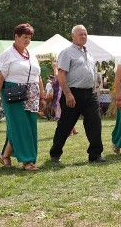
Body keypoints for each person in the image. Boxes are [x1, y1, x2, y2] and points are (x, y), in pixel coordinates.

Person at [0, 23, 46, 171]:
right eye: (24, 37)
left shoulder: (31, 54)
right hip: (13, 91)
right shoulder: (7, 54)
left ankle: (6, 155)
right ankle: (27, 161)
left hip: (32, 93)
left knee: (28, 126)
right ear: (16, 36)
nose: (27, 40)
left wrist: (43, 95)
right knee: (20, 126)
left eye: (29, 37)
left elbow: (38, 76)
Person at [49, 25, 105, 163]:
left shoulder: (89, 54)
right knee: (66, 124)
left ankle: (95, 154)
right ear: (72, 36)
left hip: (89, 93)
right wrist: (68, 94)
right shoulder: (67, 53)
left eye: (85, 34)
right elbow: (61, 75)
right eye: (80, 34)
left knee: (95, 122)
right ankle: (55, 153)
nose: (83, 36)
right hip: (72, 92)